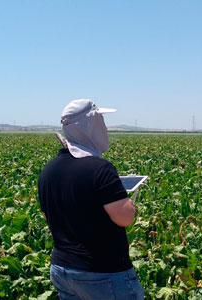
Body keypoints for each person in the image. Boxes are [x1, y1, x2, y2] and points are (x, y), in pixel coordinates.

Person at [38, 99, 144, 300]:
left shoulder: (49, 170)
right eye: (101, 121)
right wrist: (129, 203)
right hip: (102, 273)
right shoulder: (100, 168)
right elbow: (124, 218)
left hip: (62, 269)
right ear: (90, 126)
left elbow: (47, 216)